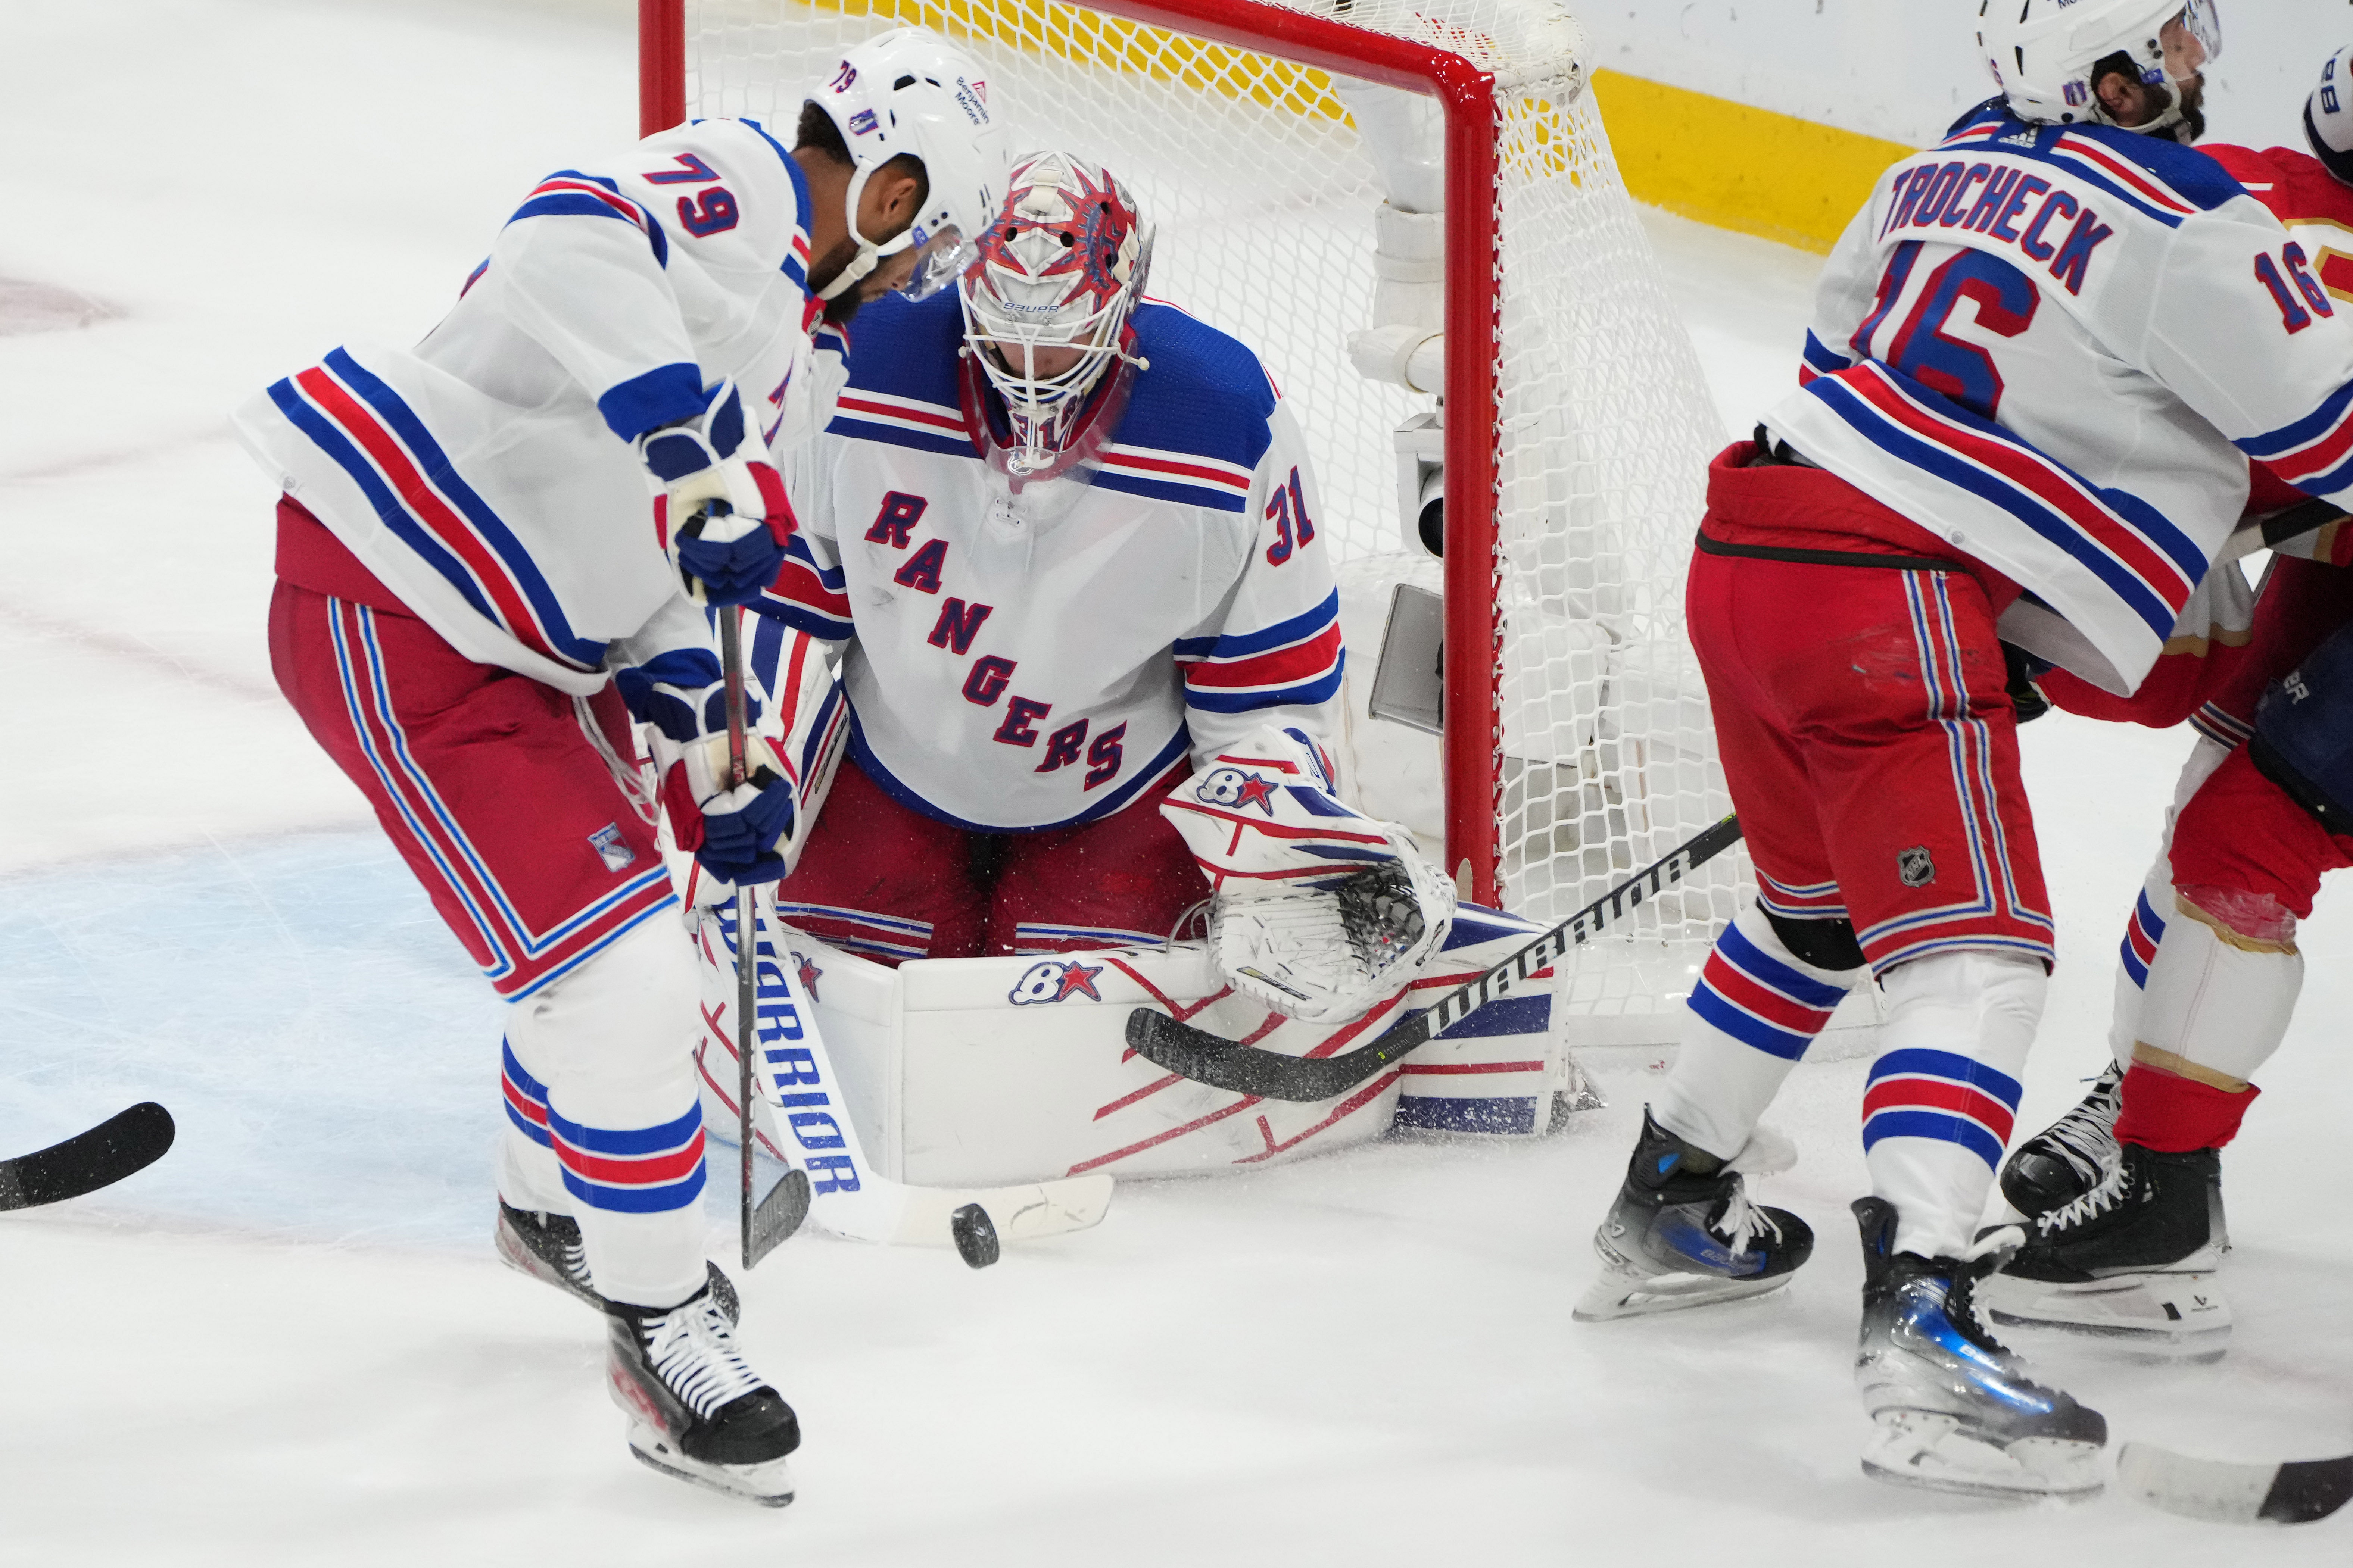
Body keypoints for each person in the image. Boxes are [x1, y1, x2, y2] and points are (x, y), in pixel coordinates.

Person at [1573, 0, 2353, 1499]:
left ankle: (1666, 1195)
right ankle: (1923, 1328)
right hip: (1888, 598)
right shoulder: (2195, 219)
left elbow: (1853, 366)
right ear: (2102, 68)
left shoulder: (1943, 161)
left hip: (1748, 544)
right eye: (2166, 48)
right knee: (1974, 958)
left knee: (1814, 910)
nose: (2193, 69)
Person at [230, 27, 1006, 1506]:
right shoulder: (742, 183)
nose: (914, 283)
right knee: (620, 981)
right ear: (894, 192)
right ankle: (662, 1332)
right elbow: (565, 232)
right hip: (395, 600)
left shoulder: (796, 355)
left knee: (643, 957)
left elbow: (674, 580)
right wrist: (688, 449)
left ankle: (551, 1208)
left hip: (521, 647)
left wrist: (725, 747)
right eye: (925, 248)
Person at [745, 150, 1450, 1015]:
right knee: (845, 996)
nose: (1032, 364)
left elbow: (1268, 689)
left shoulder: (1225, 420)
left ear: (1125, 301)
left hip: (1113, 798)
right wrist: (742, 761)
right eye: (1008, 327)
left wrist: (1273, 854)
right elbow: (781, 606)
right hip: (888, 766)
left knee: (1070, 1032)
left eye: (1064, 332)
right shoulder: (854, 362)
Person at [1984, 46, 2353, 1351]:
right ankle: (2144, 1117)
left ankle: (2163, 1203)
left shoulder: (2244, 200)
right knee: (2221, 796)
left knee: (2246, 839)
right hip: (2338, 563)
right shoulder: (2260, 206)